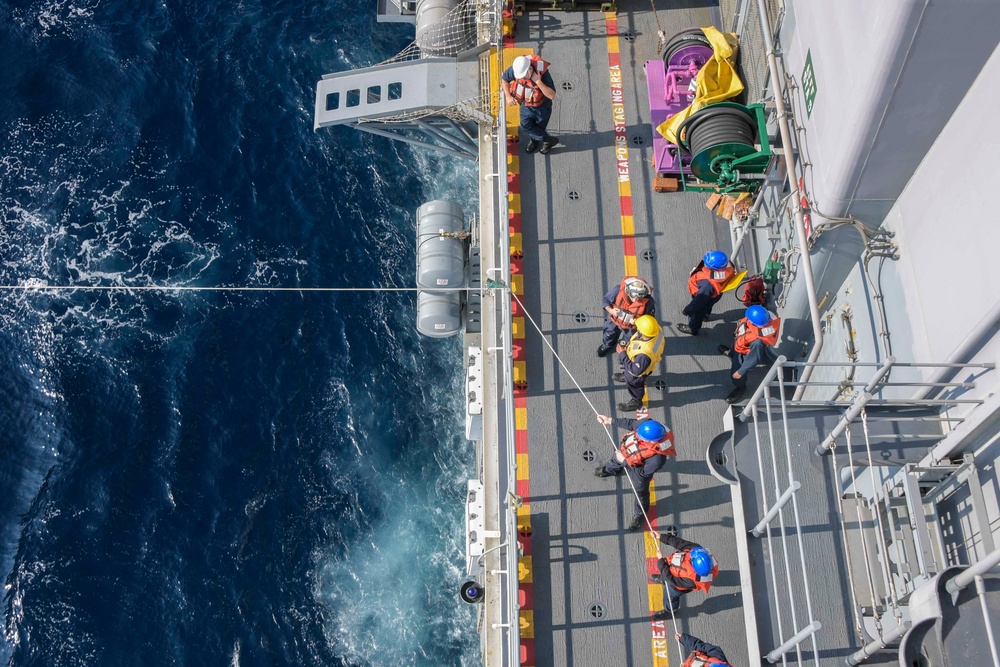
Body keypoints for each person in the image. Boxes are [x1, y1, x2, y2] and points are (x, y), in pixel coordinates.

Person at [593, 413, 675, 531]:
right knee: (614, 459)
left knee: (640, 493)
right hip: (626, 454)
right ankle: (609, 470)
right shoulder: (646, 425)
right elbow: (631, 423)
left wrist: (624, 461)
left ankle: (640, 514)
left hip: (639, 470)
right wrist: (609, 420)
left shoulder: (657, 459)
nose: (638, 436)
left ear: (652, 441)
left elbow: (641, 473)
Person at [717, 304, 781, 404]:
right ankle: (732, 353)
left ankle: (740, 387)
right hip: (740, 343)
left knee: (736, 371)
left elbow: (753, 358)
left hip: (744, 353)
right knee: (735, 349)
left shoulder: (758, 342)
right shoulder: (767, 316)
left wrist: (741, 371)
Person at [649, 530, 719, 619]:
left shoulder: (691, 581)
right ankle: (663, 579)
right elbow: (680, 543)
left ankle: (669, 610)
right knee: (666, 577)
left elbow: (672, 580)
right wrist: (661, 537)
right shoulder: (699, 550)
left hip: (676, 586)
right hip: (674, 574)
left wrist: (660, 561)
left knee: (670, 596)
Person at [501, 54, 558, 154]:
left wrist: (538, 81)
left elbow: (551, 95)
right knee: (525, 125)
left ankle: (536, 141)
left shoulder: (543, 73)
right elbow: (504, 79)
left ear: (530, 69)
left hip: (542, 108)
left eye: (523, 76)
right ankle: (548, 140)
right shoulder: (517, 69)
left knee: (539, 128)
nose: (522, 78)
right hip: (526, 106)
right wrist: (508, 96)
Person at [676, 250, 735, 336]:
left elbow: (699, 301)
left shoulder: (707, 284)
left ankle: (693, 329)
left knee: (697, 313)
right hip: (715, 294)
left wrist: (688, 310)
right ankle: (705, 315)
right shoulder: (728, 266)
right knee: (708, 307)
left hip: (705, 296)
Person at [597, 276, 655, 357]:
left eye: (639, 297)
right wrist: (611, 310)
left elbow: (649, 319)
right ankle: (607, 345)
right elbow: (606, 300)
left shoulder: (648, 302)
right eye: (633, 296)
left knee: (629, 340)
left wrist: (637, 322)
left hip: (631, 327)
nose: (636, 300)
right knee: (609, 333)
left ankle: (624, 353)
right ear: (628, 291)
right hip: (614, 320)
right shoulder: (617, 291)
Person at [616, 314, 663, 412]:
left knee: (635, 385)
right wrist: (636, 322)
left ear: (642, 333)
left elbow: (635, 371)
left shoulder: (645, 354)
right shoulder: (656, 329)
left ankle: (636, 401)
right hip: (637, 361)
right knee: (629, 373)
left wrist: (622, 354)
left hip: (637, 374)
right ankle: (626, 375)